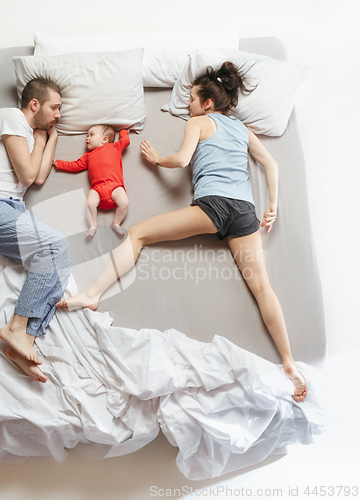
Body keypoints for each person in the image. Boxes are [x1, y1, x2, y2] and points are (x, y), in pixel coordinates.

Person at [57, 62, 307, 402]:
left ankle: (92, 294)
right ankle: (289, 362)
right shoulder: (242, 128)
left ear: (206, 103)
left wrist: (159, 159)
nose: (187, 105)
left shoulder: (199, 121)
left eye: (191, 99)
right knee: (263, 287)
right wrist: (272, 204)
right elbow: (270, 164)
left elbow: (183, 159)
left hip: (214, 207)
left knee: (139, 234)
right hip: (245, 212)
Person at [0, 77, 70, 384]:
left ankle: (25, 341)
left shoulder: (30, 135)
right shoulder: (10, 116)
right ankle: (16, 328)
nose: (59, 114)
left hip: (4, 208)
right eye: (54, 107)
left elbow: (40, 177)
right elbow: (29, 174)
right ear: (34, 104)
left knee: (60, 259)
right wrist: (40, 137)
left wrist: (48, 137)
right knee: (53, 245)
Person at [53, 125, 130, 237]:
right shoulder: (88, 156)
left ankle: (116, 223)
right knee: (89, 203)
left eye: (91, 135)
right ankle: (93, 226)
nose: (87, 138)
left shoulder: (115, 147)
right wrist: (59, 163)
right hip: (97, 189)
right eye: (87, 135)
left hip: (114, 187)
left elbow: (126, 140)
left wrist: (123, 131)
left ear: (105, 139)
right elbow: (75, 165)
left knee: (124, 202)